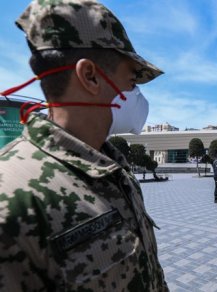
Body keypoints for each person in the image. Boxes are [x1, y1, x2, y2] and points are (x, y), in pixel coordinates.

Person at [0, 1, 168, 291]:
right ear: (90, 76)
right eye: (131, 80)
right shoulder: (11, 197)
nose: (134, 94)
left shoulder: (114, 170)